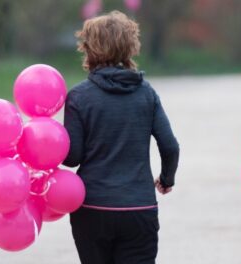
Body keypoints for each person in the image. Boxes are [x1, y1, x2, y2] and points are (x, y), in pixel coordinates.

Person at [62, 10, 180, 264]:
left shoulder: (78, 97)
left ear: (89, 48)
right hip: (139, 208)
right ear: (130, 47)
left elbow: (73, 158)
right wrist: (167, 178)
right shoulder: (146, 94)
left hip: (92, 208)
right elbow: (170, 146)